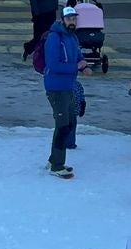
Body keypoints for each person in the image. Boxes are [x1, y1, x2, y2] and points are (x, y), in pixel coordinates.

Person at [43, 7, 91, 178]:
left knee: (69, 122)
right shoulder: (54, 38)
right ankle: (57, 165)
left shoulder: (72, 37)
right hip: (56, 88)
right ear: (62, 19)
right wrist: (75, 67)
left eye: (74, 19)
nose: (72, 21)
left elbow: (77, 55)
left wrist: (83, 64)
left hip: (68, 86)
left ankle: (53, 159)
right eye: (69, 19)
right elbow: (53, 65)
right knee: (63, 125)